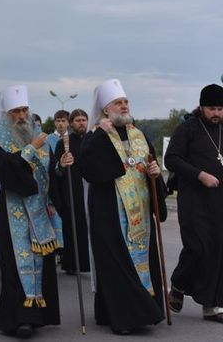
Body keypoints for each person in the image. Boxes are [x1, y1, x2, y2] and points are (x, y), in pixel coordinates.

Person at [80, 78, 167, 335]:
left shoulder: (138, 134)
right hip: (110, 212)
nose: (124, 106)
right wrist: (99, 133)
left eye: (126, 101)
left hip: (139, 212)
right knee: (115, 263)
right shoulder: (96, 135)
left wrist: (154, 172)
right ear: (106, 109)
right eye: (118, 102)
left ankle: (143, 311)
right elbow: (89, 168)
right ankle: (125, 317)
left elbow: (149, 165)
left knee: (140, 261)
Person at [0, 85, 62, 338]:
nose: (21, 115)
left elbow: (51, 174)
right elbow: (8, 172)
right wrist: (30, 148)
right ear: (7, 114)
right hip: (13, 213)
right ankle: (20, 319)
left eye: (24, 110)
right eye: (16, 111)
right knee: (14, 267)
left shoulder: (40, 137)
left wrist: (62, 168)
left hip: (40, 212)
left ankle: (41, 315)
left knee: (42, 263)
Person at [165, 84, 223, 322]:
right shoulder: (188, 128)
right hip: (193, 200)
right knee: (198, 247)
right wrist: (200, 174)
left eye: (220, 108)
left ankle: (212, 305)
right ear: (201, 107)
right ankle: (178, 285)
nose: (216, 113)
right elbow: (171, 159)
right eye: (211, 108)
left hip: (219, 201)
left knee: (218, 252)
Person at [50, 108, 90, 274]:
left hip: (89, 192)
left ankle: (90, 263)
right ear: (72, 123)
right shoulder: (64, 143)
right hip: (71, 194)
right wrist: (62, 165)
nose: (81, 123)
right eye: (78, 120)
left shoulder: (92, 140)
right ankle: (72, 263)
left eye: (84, 120)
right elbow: (55, 171)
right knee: (73, 229)